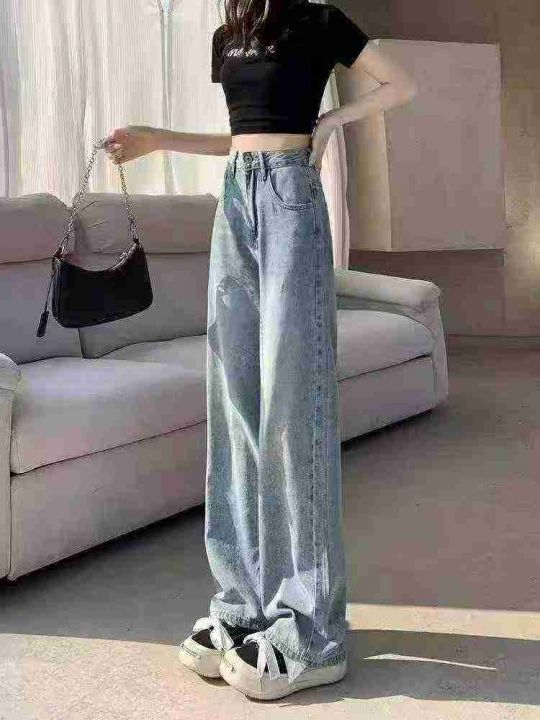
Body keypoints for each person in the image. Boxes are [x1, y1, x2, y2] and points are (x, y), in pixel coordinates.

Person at [105, 0, 416, 700]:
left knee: (291, 403)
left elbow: (401, 84)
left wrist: (328, 123)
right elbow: (241, 137)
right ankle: (243, 606)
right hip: (236, 200)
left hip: (290, 199)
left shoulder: (320, 21)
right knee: (235, 401)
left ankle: (311, 629)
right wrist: (157, 140)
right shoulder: (230, 36)